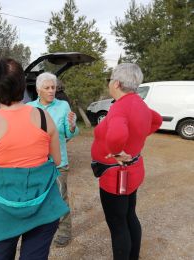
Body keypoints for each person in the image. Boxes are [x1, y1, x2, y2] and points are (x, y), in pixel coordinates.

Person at [0, 58, 69, 260]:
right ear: (23, 85)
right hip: (44, 207)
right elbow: (57, 159)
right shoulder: (44, 118)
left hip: (3, 209)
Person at [91, 63, 162, 260]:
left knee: (118, 224)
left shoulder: (120, 107)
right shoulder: (139, 103)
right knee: (129, 216)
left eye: (110, 80)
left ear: (117, 83)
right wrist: (135, 143)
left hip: (116, 175)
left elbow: (116, 135)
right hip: (132, 171)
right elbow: (156, 120)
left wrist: (116, 151)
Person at [27, 72, 79, 248]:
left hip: (59, 162)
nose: (51, 91)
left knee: (60, 197)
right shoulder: (29, 108)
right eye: (47, 88)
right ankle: (40, 231)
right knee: (38, 198)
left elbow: (70, 133)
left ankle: (65, 232)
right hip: (36, 163)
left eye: (53, 88)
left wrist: (72, 126)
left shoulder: (63, 105)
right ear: (38, 89)